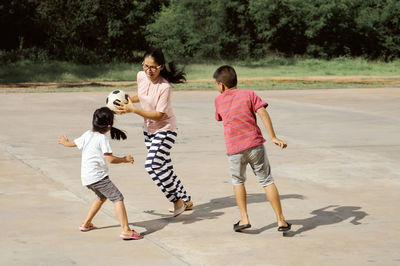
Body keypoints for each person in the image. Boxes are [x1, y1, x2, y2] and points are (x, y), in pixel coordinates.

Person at [115, 48, 192, 217]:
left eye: (153, 67)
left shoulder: (165, 87)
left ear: (161, 67)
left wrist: (133, 110)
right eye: (145, 66)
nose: (148, 70)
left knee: (152, 166)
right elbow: (142, 95)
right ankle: (186, 199)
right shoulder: (141, 76)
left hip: (166, 130)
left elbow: (159, 115)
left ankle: (177, 201)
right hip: (148, 131)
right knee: (166, 167)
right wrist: (123, 101)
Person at [213, 65, 291, 232]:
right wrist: (273, 137)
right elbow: (262, 112)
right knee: (267, 180)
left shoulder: (218, 100)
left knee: (238, 181)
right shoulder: (249, 94)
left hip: (234, 149)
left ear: (221, 85)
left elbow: (220, 117)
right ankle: (281, 220)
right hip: (255, 145)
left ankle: (244, 218)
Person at [58, 107, 143, 240]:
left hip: (87, 177)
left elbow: (73, 143)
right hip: (98, 177)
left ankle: (86, 224)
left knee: (101, 197)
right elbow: (110, 159)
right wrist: (124, 159)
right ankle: (126, 230)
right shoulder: (102, 139)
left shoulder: (87, 134)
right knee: (118, 198)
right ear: (109, 125)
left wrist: (64, 143)